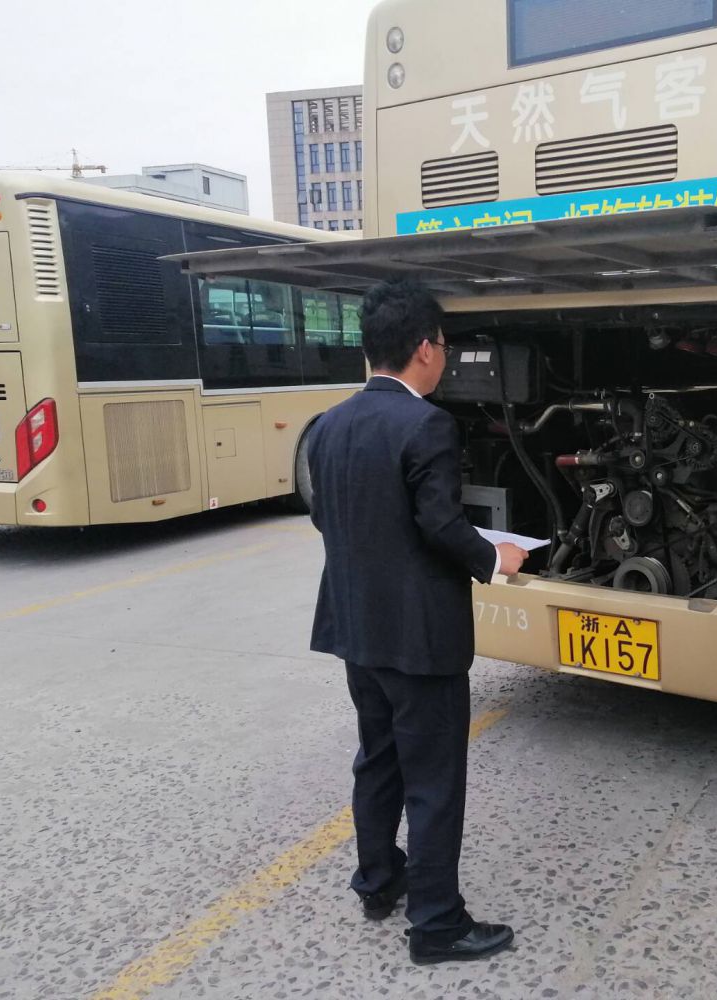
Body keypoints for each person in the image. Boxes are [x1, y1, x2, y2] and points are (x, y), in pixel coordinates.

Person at [307, 277, 528, 966]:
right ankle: (436, 925)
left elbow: (326, 517)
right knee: (432, 780)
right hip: (420, 639)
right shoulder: (426, 424)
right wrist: (495, 557)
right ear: (426, 348)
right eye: (444, 346)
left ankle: (378, 881)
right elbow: (439, 524)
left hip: (356, 628)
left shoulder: (328, 424)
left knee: (377, 759)